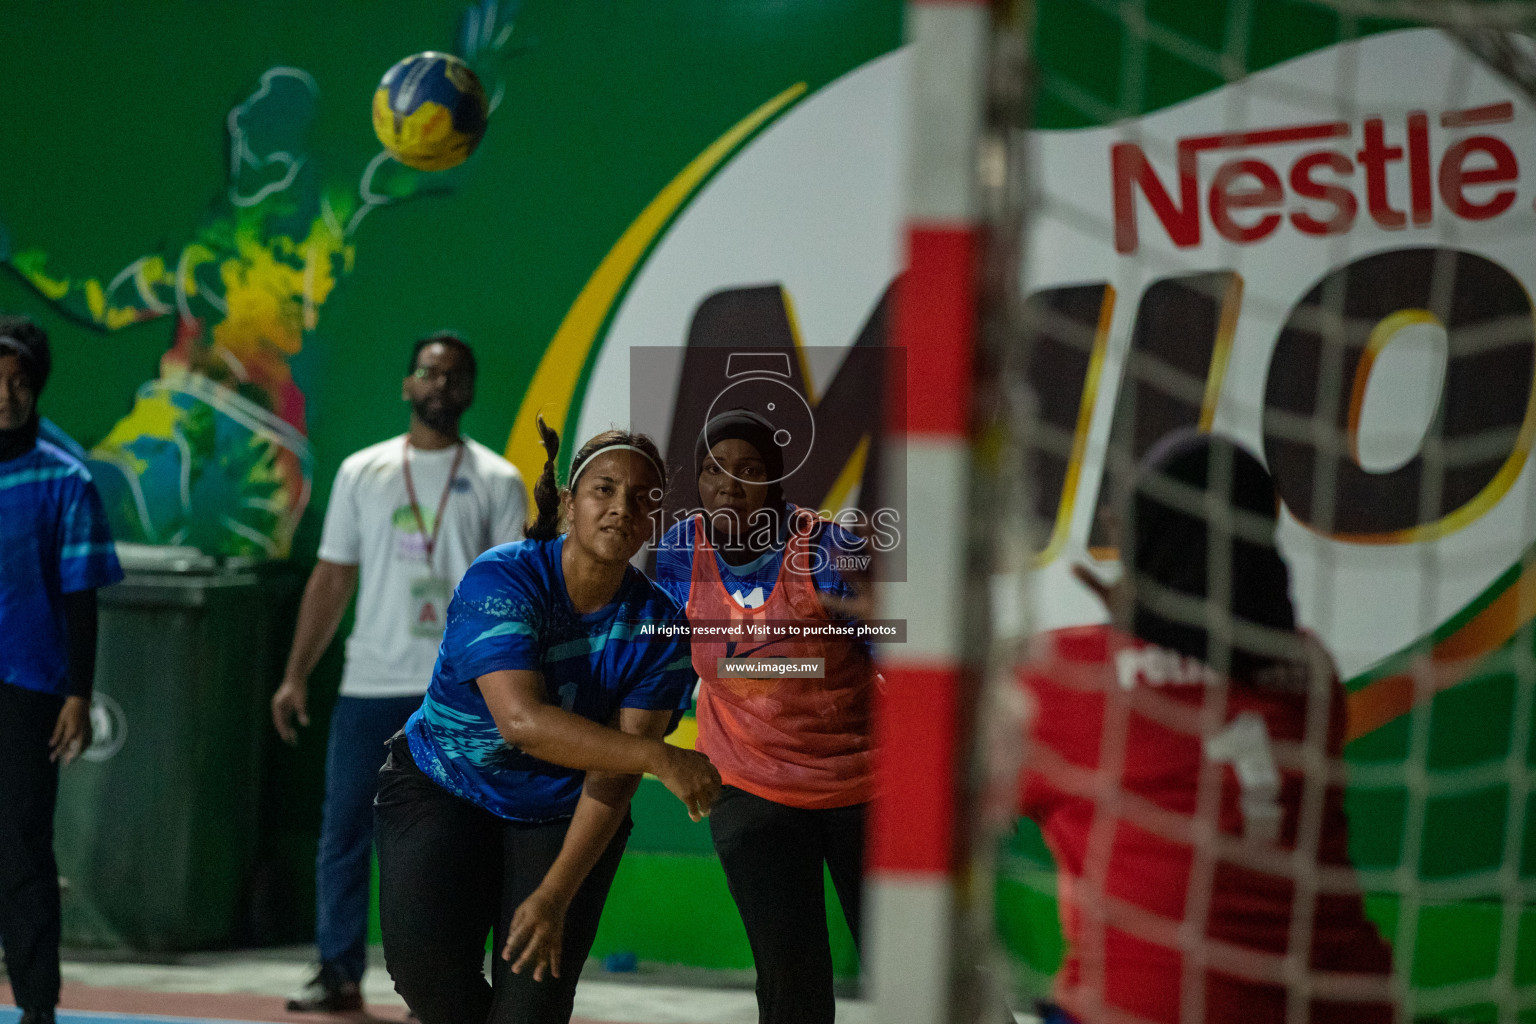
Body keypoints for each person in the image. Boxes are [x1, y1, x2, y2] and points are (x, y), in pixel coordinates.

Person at [1018, 431, 1397, 1024]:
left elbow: (932, 752)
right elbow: (1206, 663)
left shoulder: (1066, 676)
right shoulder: (1311, 671)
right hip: (1342, 1002)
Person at [375, 418, 721, 1024]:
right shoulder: (502, 578)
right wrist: (660, 757)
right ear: (569, 503)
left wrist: (556, 894)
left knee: (531, 1007)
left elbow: (610, 778)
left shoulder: (659, 626)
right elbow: (521, 722)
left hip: (561, 809)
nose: (621, 508)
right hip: (444, 784)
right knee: (424, 972)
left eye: (641, 500)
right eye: (604, 490)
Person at [272, 332, 527, 1013]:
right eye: (429, 373)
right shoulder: (364, 470)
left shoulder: (498, 480)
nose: (441, 385)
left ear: (470, 389)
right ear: (407, 385)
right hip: (370, 682)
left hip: (459, 695)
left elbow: (511, 595)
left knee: (459, 838)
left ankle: (442, 982)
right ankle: (337, 970)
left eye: (455, 375)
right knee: (346, 829)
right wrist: (296, 673)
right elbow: (332, 577)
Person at [652, 409, 876, 1024]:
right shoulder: (679, 550)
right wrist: (651, 748)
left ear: (775, 481)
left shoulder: (827, 546)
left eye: (747, 469)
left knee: (913, 962)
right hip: (749, 783)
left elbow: (891, 648)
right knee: (790, 972)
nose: (728, 483)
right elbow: (667, 655)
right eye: (712, 470)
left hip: (861, 781)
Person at [0, 315, 124, 1024]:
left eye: (20, 382)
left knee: (19, 849)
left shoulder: (66, 478)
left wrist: (77, 693)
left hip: (28, 687)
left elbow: (81, 600)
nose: (5, 395)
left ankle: (38, 1006)